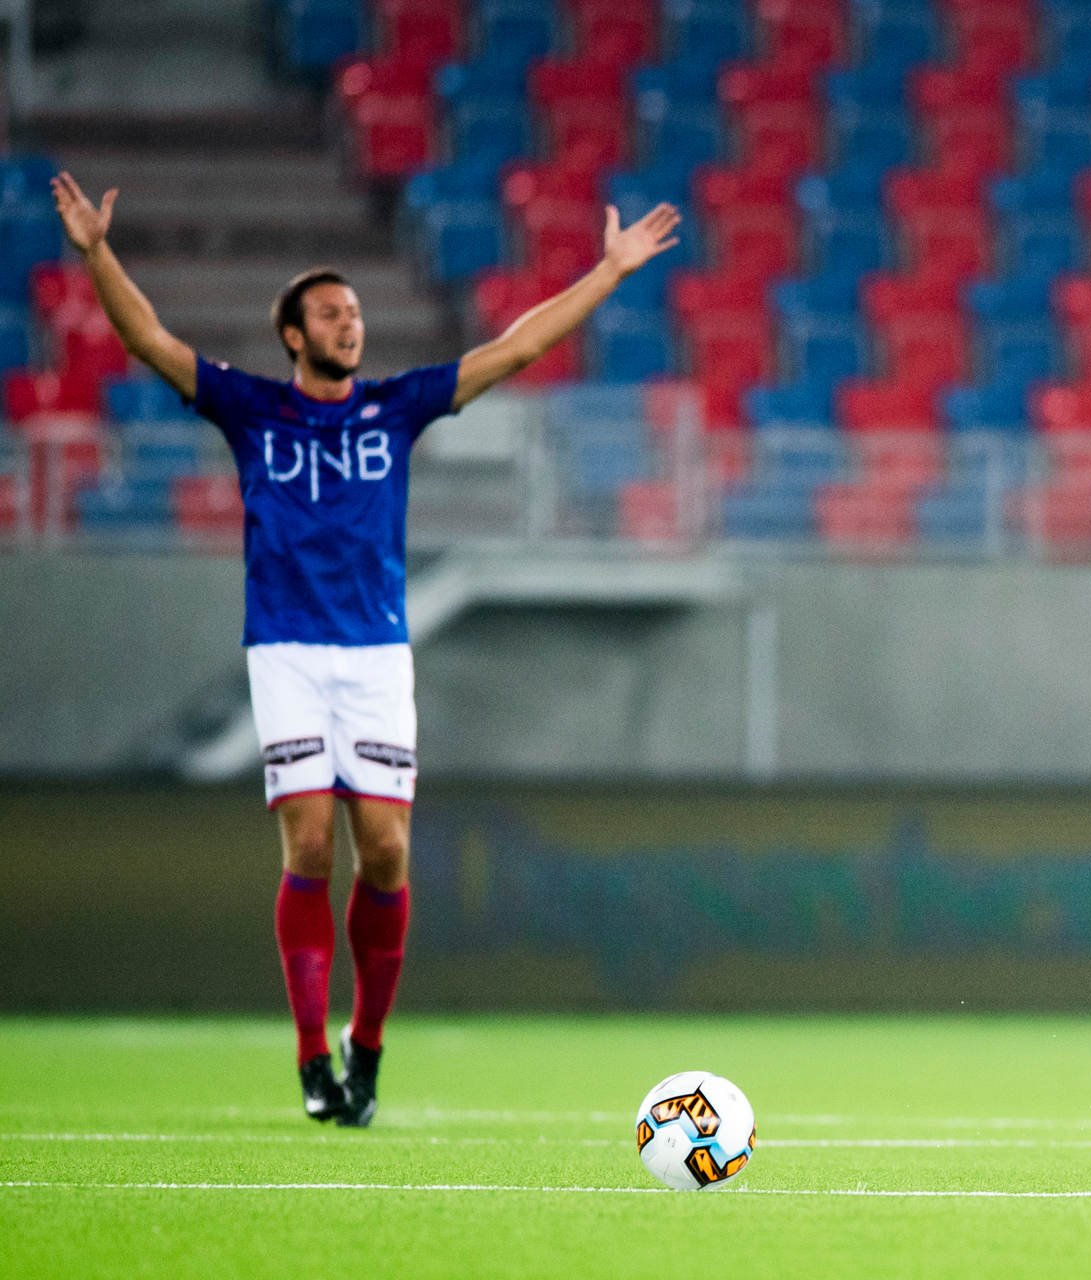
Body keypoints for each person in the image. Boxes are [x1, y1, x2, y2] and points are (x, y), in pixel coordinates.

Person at [51, 171, 680, 1126]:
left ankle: (368, 1046)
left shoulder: (398, 405)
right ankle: (312, 1058)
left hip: (379, 657)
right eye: (332, 316)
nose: (352, 325)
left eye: (354, 313)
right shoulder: (252, 409)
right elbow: (149, 342)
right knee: (309, 840)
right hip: (289, 651)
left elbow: (519, 348)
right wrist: (98, 254)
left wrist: (609, 272)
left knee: (385, 855)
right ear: (294, 336)